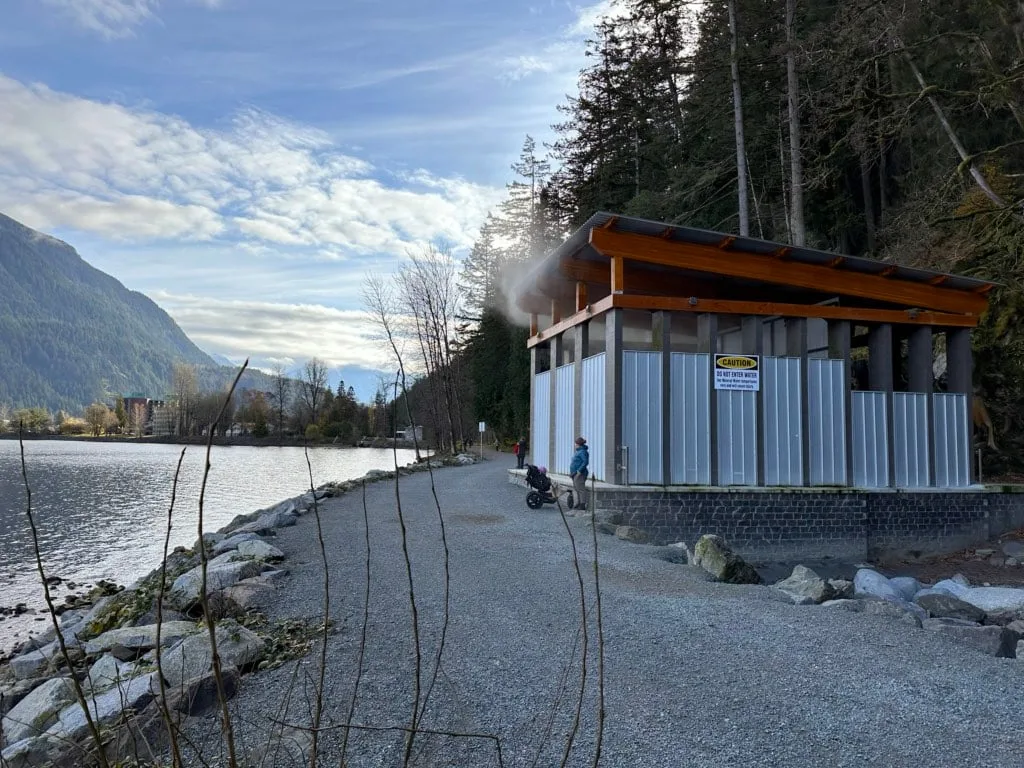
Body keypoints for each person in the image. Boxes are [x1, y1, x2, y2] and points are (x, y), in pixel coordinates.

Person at [568, 436, 589, 510]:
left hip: (579, 474)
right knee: (577, 488)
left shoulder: (583, 451)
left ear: (578, 444)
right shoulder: (579, 451)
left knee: (581, 489)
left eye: (575, 443)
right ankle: (579, 503)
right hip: (575, 473)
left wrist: (579, 471)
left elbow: (585, 462)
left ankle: (583, 504)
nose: (574, 445)